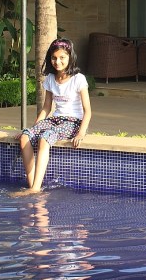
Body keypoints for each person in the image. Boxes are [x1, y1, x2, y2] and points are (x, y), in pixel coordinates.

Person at [16, 38, 92, 194]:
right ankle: (32, 187)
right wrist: (33, 129)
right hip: (55, 120)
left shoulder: (78, 79)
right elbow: (46, 108)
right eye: (54, 58)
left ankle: (36, 188)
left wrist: (81, 133)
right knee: (24, 137)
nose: (57, 62)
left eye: (62, 57)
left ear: (70, 57)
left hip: (73, 122)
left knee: (45, 138)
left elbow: (87, 111)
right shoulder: (50, 78)